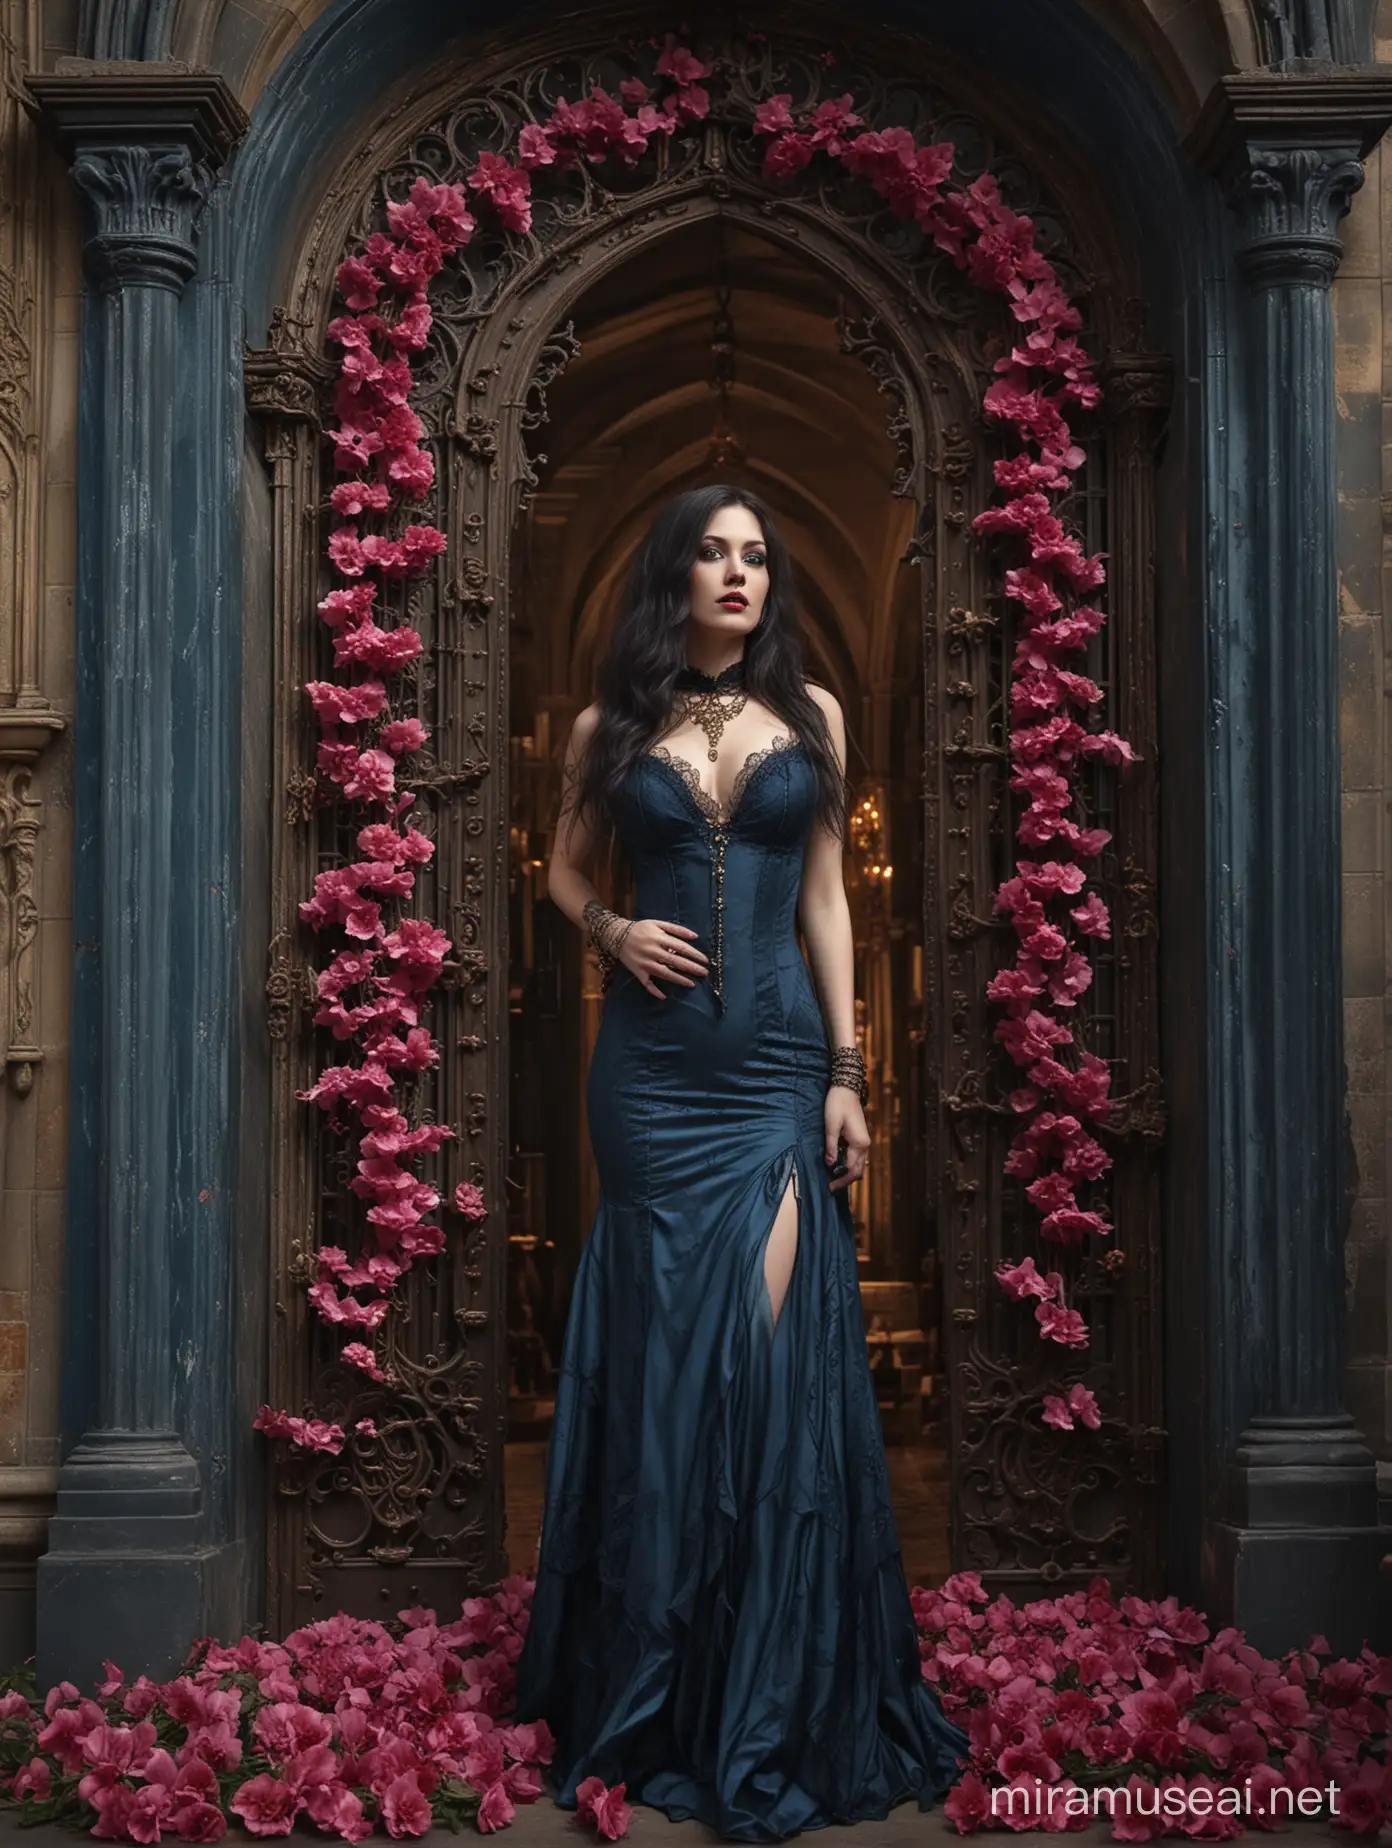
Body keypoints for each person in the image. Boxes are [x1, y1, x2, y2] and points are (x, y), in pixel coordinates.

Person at [510, 485, 967, 1841]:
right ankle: (661, 1683)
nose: (739, 573)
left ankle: (762, 1691)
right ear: (674, 573)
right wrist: (613, 934)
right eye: (713, 552)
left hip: (771, 1078)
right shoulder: (611, 729)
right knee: (664, 1375)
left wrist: (846, 1075)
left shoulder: (812, 719)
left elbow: (826, 898)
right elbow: (560, 875)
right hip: (649, 1089)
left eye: (758, 554)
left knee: (757, 1365)